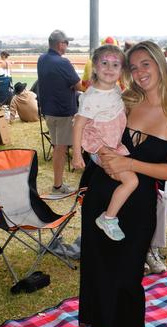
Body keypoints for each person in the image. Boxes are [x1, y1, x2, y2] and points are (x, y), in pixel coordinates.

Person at [77, 40, 167, 327]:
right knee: (97, 263)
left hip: (140, 202)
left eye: (146, 64)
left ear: (159, 64)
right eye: (135, 66)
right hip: (102, 192)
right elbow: (90, 129)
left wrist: (130, 164)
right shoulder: (122, 101)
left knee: (129, 270)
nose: (140, 72)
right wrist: (95, 152)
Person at [72, 44, 134, 242]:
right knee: (131, 181)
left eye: (115, 65)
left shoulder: (115, 89)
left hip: (112, 144)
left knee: (125, 180)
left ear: (121, 70)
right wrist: (76, 154)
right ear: (96, 67)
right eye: (104, 63)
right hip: (101, 146)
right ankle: (108, 217)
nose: (109, 68)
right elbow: (78, 125)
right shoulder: (91, 97)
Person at [37, 29, 83, 194]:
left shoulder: (42, 59)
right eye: (66, 43)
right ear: (60, 44)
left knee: (58, 147)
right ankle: (57, 185)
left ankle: (57, 183)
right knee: (61, 149)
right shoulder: (64, 63)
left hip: (48, 110)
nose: (68, 46)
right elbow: (80, 86)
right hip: (63, 111)